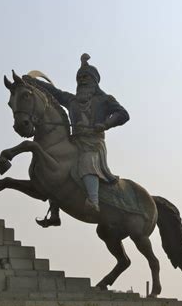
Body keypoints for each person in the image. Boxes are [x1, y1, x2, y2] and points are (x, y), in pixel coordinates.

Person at [26, 53, 129, 227]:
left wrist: (105, 124)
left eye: (86, 77)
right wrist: (32, 82)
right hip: (75, 141)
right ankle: (55, 213)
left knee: (87, 162)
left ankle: (94, 201)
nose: (82, 80)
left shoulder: (105, 100)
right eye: (79, 77)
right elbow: (54, 92)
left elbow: (123, 114)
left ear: (95, 80)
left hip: (93, 144)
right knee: (54, 167)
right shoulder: (71, 100)